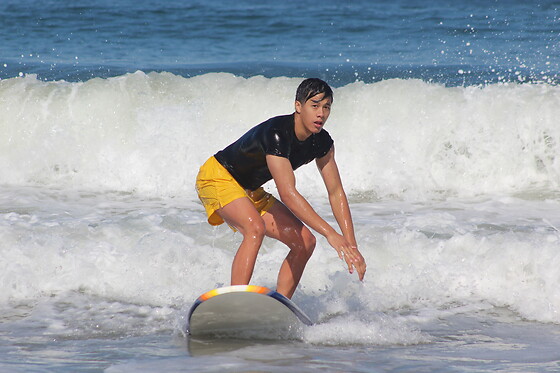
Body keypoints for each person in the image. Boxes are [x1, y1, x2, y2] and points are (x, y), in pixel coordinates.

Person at [195, 78, 366, 299]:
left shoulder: (321, 143)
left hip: (250, 189)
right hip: (218, 176)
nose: (321, 114)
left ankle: (280, 306)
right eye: (314, 106)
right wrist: (331, 234)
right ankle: (234, 300)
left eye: (326, 107)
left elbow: (336, 193)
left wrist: (351, 247)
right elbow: (288, 193)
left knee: (305, 242)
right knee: (254, 228)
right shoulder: (277, 134)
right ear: (298, 106)